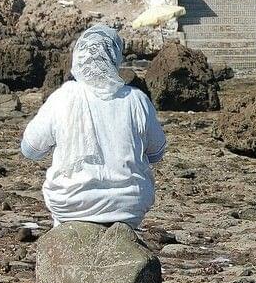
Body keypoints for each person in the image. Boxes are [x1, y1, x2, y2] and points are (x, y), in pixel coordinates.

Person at [20, 25, 167, 228]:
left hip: (71, 203)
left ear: (79, 56)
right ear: (115, 57)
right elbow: (157, 153)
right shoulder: (136, 99)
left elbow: (30, 150)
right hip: (128, 206)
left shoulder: (64, 97)